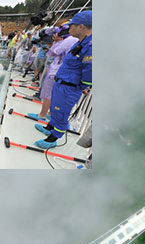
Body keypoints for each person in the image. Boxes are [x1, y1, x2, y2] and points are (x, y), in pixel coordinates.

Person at [34, 11, 92, 149]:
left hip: (69, 87)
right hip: (62, 83)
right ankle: (50, 128)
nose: (69, 28)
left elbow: (89, 69)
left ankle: (53, 139)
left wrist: (84, 85)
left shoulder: (90, 46)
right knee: (55, 108)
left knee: (61, 113)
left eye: (72, 26)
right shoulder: (81, 42)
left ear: (81, 27)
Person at [28, 25, 78, 122]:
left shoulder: (66, 41)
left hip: (55, 71)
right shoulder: (75, 41)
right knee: (55, 95)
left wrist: (56, 41)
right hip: (63, 72)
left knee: (48, 95)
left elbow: (53, 52)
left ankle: (42, 114)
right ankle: (50, 114)